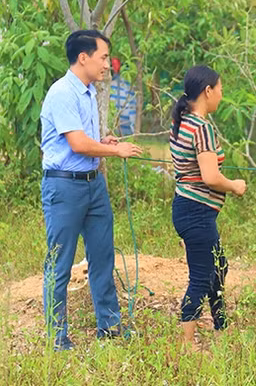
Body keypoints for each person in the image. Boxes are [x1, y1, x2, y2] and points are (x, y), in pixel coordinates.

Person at [40, 29, 143, 351]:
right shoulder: (62, 93)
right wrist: (117, 150)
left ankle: (110, 329)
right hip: (64, 187)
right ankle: (57, 338)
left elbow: (87, 141)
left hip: (92, 186)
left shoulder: (87, 92)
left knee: (102, 256)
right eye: (102, 58)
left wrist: (104, 142)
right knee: (60, 263)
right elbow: (78, 144)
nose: (107, 65)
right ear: (82, 58)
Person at [169, 65, 246, 349]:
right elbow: (210, 177)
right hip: (196, 212)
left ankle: (221, 324)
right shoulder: (201, 127)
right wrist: (235, 185)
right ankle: (186, 344)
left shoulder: (183, 120)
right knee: (201, 278)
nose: (222, 97)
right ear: (208, 91)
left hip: (187, 208)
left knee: (219, 267)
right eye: (221, 90)